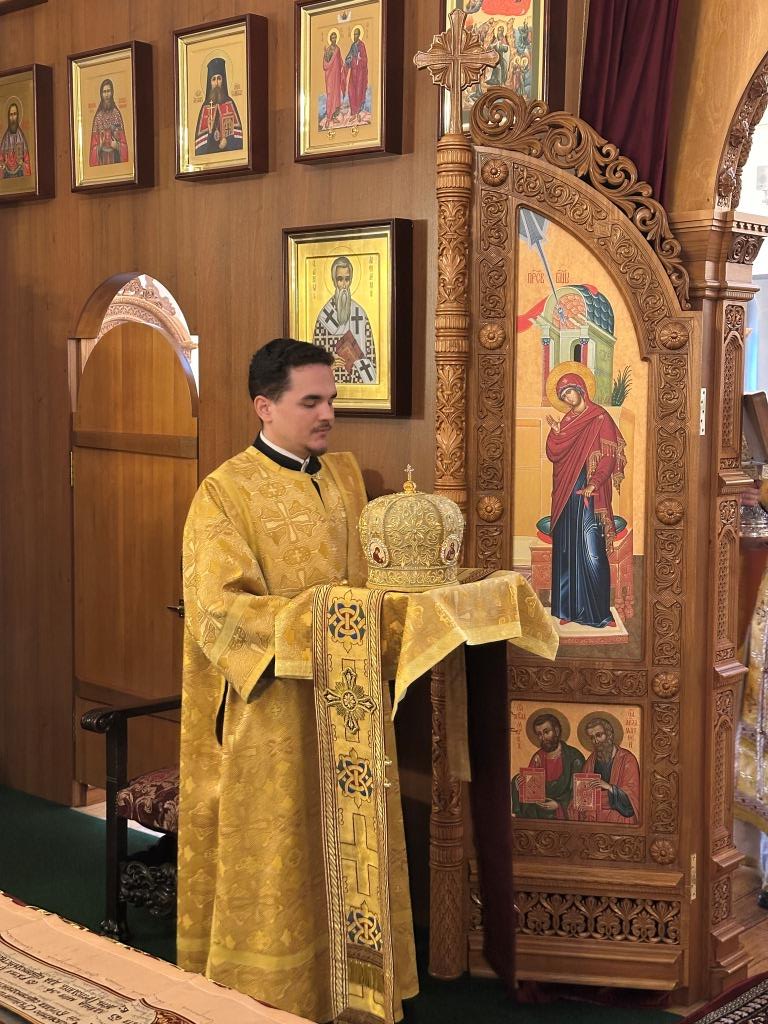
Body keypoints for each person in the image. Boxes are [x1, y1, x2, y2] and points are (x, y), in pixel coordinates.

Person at [177, 339, 417, 1021]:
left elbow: (373, 575)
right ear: (265, 406)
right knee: (284, 852)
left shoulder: (343, 477)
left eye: (331, 400)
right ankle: (272, 1000)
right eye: (311, 401)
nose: (327, 414)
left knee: (349, 849)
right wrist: (328, 620)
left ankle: (355, 991)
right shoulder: (224, 493)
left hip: (351, 706)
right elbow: (217, 610)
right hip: (275, 711)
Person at [545, 371, 626, 628]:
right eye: (563, 395)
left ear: (581, 389)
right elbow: (554, 454)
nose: (568, 398)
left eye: (569, 392)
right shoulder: (567, 420)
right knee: (567, 549)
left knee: (592, 551)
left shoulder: (600, 417)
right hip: (567, 493)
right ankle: (567, 610)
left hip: (591, 492)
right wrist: (556, 433)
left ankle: (600, 614)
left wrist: (594, 483)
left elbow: (609, 456)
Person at [312, 256, 377, 384]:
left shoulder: (360, 313)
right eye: (340, 279)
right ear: (334, 281)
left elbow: (371, 356)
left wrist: (359, 363)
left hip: (357, 380)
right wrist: (329, 362)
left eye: (347, 279)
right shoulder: (325, 315)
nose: (344, 284)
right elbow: (314, 356)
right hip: (330, 381)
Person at [511, 712, 585, 820]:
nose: (543, 737)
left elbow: (580, 793)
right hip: (539, 810)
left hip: (563, 812)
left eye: (546, 732)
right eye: (539, 734)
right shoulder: (538, 757)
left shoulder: (574, 758)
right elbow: (531, 790)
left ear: (557, 731)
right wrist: (520, 785)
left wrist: (559, 804)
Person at [569, 717, 641, 824]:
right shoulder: (591, 761)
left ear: (609, 734)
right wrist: (581, 802)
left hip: (618, 815)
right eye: (592, 737)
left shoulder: (627, 759)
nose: (596, 741)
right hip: (594, 814)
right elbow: (583, 790)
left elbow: (632, 796)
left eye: (599, 735)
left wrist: (608, 787)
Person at [194, 57, 243, 156]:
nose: (216, 82)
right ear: (210, 83)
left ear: (223, 81)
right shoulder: (205, 107)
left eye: (219, 78)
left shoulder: (229, 103)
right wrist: (210, 133)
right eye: (213, 79)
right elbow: (199, 147)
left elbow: (238, 138)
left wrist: (227, 140)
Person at [89, 78, 128, 166]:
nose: (106, 95)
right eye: (104, 92)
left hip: (115, 160)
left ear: (112, 93)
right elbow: (93, 150)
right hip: (102, 161)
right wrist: (100, 146)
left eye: (108, 91)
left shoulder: (116, 115)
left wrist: (117, 146)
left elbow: (124, 145)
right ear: (101, 94)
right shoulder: (98, 118)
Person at [344, 27, 368, 122]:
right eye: (354, 34)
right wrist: (348, 60)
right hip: (353, 72)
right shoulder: (353, 45)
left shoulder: (361, 45)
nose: (355, 36)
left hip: (360, 73)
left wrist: (360, 59)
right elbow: (348, 57)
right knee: (351, 91)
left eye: (356, 34)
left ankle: (358, 113)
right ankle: (353, 113)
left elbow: (365, 59)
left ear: (359, 35)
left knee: (358, 92)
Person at [0, 101, 30, 178]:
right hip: (7, 175)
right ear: (8, 117)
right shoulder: (5, 139)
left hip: (20, 174)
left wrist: (22, 163)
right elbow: (1, 161)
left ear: (17, 116)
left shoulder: (21, 138)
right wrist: (2, 165)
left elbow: (27, 163)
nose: (13, 117)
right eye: (11, 115)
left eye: (15, 114)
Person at [322, 30, 344, 128]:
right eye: (332, 38)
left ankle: (334, 116)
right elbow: (325, 65)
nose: (334, 39)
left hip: (337, 77)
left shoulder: (338, 49)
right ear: (330, 39)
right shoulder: (328, 50)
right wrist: (326, 55)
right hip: (330, 77)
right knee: (330, 95)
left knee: (336, 95)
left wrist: (343, 66)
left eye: (335, 37)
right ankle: (328, 117)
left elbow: (340, 61)